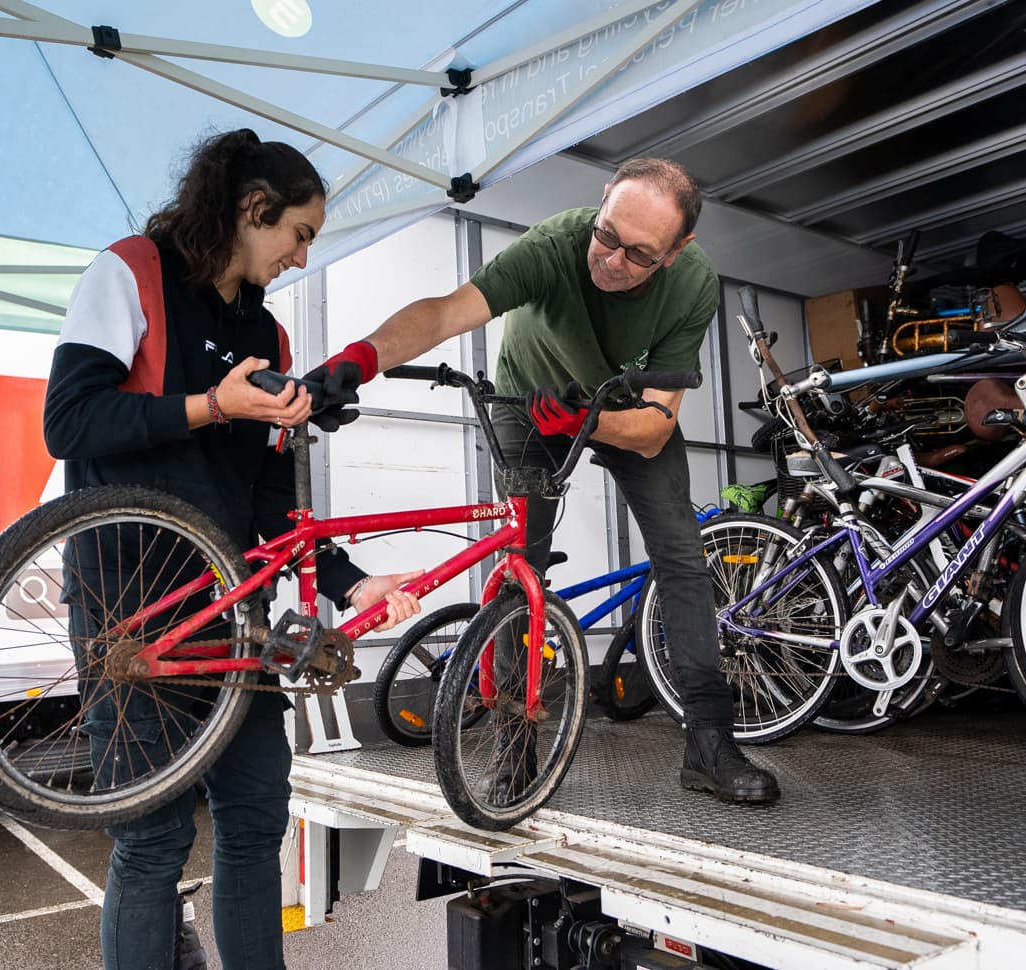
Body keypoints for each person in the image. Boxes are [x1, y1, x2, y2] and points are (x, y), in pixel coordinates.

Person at [42, 128, 421, 970]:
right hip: (128, 599)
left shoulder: (269, 337)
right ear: (253, 209)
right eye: (300, 233)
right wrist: (211, 405)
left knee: (255, 820)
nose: (300, 254)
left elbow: (263, 499)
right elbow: (68, 423)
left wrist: (350, 583)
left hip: (233, 603)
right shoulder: (130, 271)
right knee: (152, 837)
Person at [305, 157, 779, 806]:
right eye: (606, 235)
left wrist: (589, 416)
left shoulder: (692, 284)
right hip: (527, 404)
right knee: (518, 568)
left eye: (638, 254)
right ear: (602, 198)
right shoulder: (555, 245)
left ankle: (710, 744)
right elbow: (446, 313)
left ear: (676, 252)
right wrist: (354, 362)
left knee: (682, 560)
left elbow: (651, 427)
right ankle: (516, 749)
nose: (611, 261)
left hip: (625, 411)